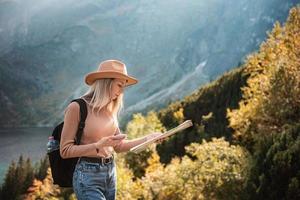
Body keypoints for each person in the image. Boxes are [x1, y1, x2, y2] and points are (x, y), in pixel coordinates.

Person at [60, 59, 164, 200]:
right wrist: (98, 146)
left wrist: (148, 138)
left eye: (124, 87)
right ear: (106, 82)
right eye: (119, 85)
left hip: (110, 174)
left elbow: (119, 146)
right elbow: (65, 151)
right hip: (87, 176)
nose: (121, 92)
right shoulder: (77, 107)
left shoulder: (110, 110)